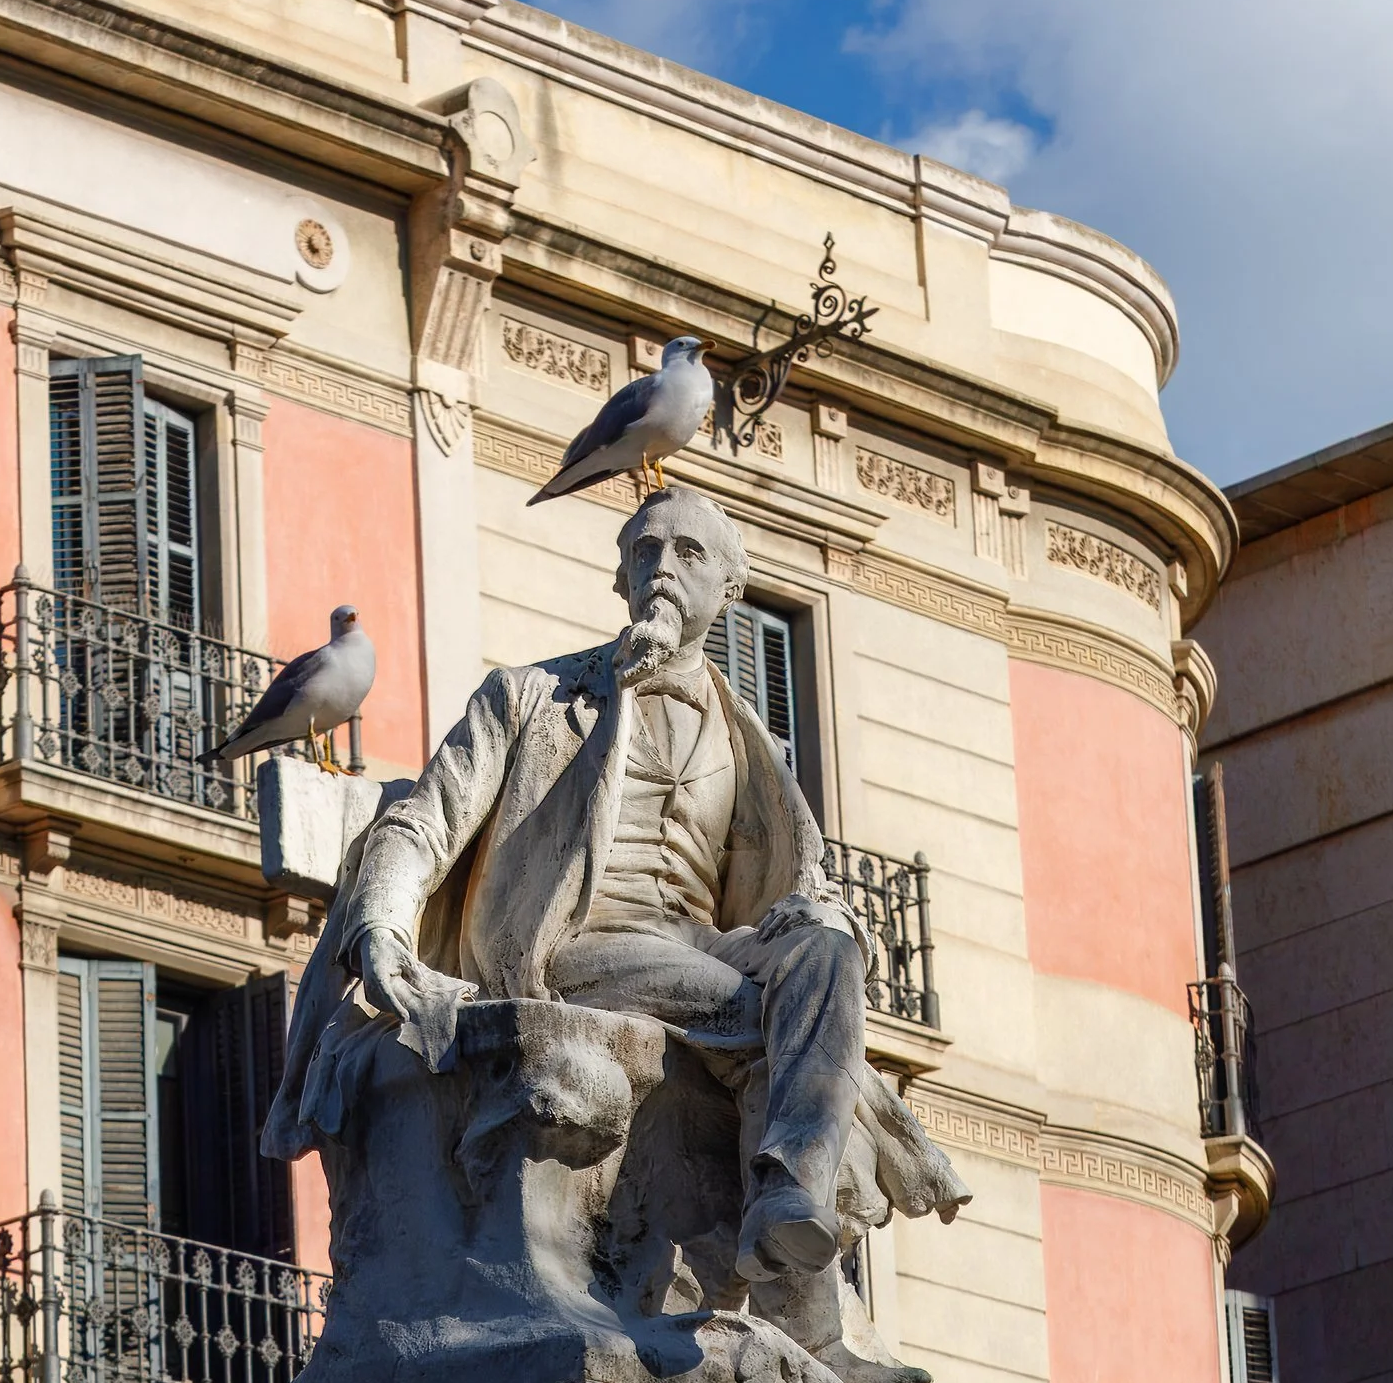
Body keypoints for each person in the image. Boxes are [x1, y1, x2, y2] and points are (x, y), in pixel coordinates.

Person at [290, 484, 960, 1331]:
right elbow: (422, 822)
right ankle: (810, 1317)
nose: (662, 568)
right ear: (620, 581)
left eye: (688, 553)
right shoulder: (532, 699)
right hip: (578, 941)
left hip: (703, 940)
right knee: (769, 1019)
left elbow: (798, 878)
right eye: (644, 551)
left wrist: (814, 918)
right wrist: (381, 924)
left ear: (731, 588)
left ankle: (790, 1193)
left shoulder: (747, 736)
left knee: (828, 954)